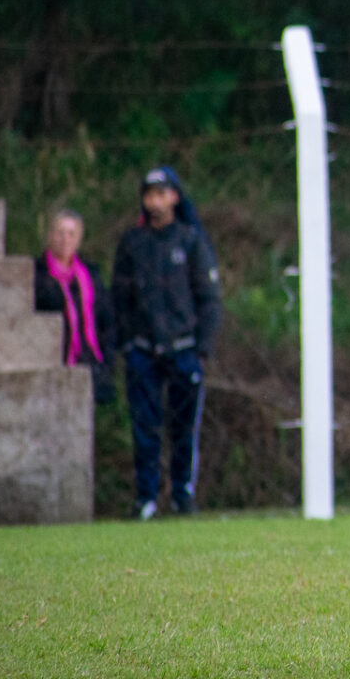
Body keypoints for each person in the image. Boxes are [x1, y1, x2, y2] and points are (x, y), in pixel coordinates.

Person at [111, 166, 222, 519]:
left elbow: (209, 299)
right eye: (149, 194)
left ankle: (182, 494)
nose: (155, 201)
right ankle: (146, 497)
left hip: (184, 349)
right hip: (143, 350)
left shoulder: (190, 241)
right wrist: (127, 343)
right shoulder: (133, 243)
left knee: (183, 428)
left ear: (174, 197)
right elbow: (120, 299)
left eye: (161, 193)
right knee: (145, 427)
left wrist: (202, 347)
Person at [32, 208, 117, 405]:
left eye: (71, 234)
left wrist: (107, 359)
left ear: (79, 238)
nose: (65, 239)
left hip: (90, 362)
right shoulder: (37, 274)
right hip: (55, 361)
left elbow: (106, 317)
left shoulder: (90, 275)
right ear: (50, 236)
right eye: (60, 233)